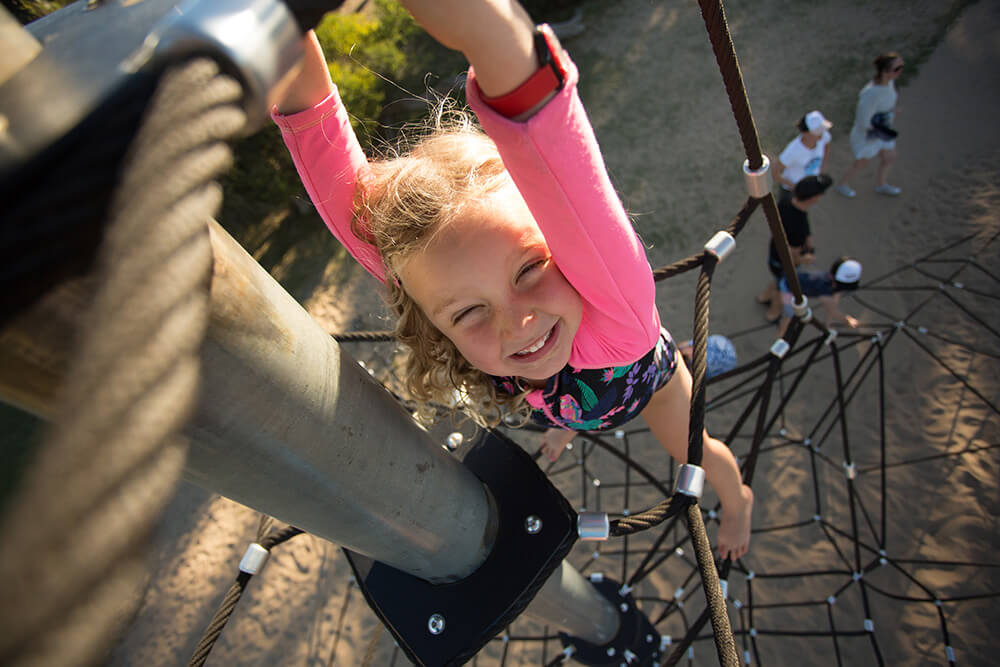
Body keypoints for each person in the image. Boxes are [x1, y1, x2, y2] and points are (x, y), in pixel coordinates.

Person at [272, 0, 753, 561]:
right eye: (467, 313)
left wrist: (489, 33)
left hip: (645, 380)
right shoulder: (430, 282)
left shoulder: (617, 314)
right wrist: (282, 27)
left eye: (529, 269)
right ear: (428, 313)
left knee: (695, 452)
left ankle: (736, 497)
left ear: (564, 247)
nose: (516, 320)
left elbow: (562, 163)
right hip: (570, 397)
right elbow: (326, 158)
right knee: (557, 386)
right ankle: (572, 418)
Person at [756, 174, 831, 322]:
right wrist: (806, 258)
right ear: (813, 198)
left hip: (774, 253)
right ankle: (773, 314)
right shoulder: (797, 228)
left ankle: (763, 297)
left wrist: (808, 239)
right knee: (781, 288)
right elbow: (791, 255)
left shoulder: (787, 201)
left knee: (777, 279)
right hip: (783, 261)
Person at [834, 52, 904, 198]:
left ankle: (881, 185)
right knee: (861, 163)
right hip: (869, 135)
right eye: (897, 69)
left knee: (889, 157)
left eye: (901, 67)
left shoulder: (889, 83)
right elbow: (863, 121)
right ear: (885, 72)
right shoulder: (871, 94)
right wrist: (891, 115)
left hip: (882, 131)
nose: (900, 71)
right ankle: (842, 185)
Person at [776, 257, 862, 337]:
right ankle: (781, 337)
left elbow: (833, 304)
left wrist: (828, 325)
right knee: (789, 316)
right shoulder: (826, 294)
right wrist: (847, 321)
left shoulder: (830, 280)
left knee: (780, 293)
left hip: (791, 280)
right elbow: (832, 310)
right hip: (789, 289)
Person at [774, 110, 833, 201]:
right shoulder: (792, 152)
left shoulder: (824, 136)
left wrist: (823, 166)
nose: (821, 135)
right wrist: (796, 188)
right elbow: (775, 173)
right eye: (818, 132)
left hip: (812, 183)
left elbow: (827, 146)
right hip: (792, 190)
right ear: (805, 133)